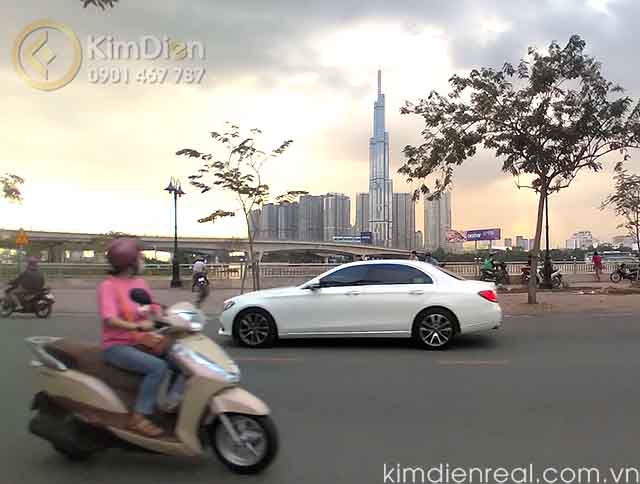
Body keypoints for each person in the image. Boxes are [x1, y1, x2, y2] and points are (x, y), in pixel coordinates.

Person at [99, 238, 182, 438]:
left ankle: (173, 403)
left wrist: (165, 314)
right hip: (117, 346)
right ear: (129, 262)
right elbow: (109, 319)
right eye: (139, 257)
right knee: (158, 367)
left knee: (182, 359)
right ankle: (139, 416)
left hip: (141, 340)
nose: (142, 260)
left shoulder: (139, 283)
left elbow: (152, 306)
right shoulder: (108, 286)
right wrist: (137, 325)